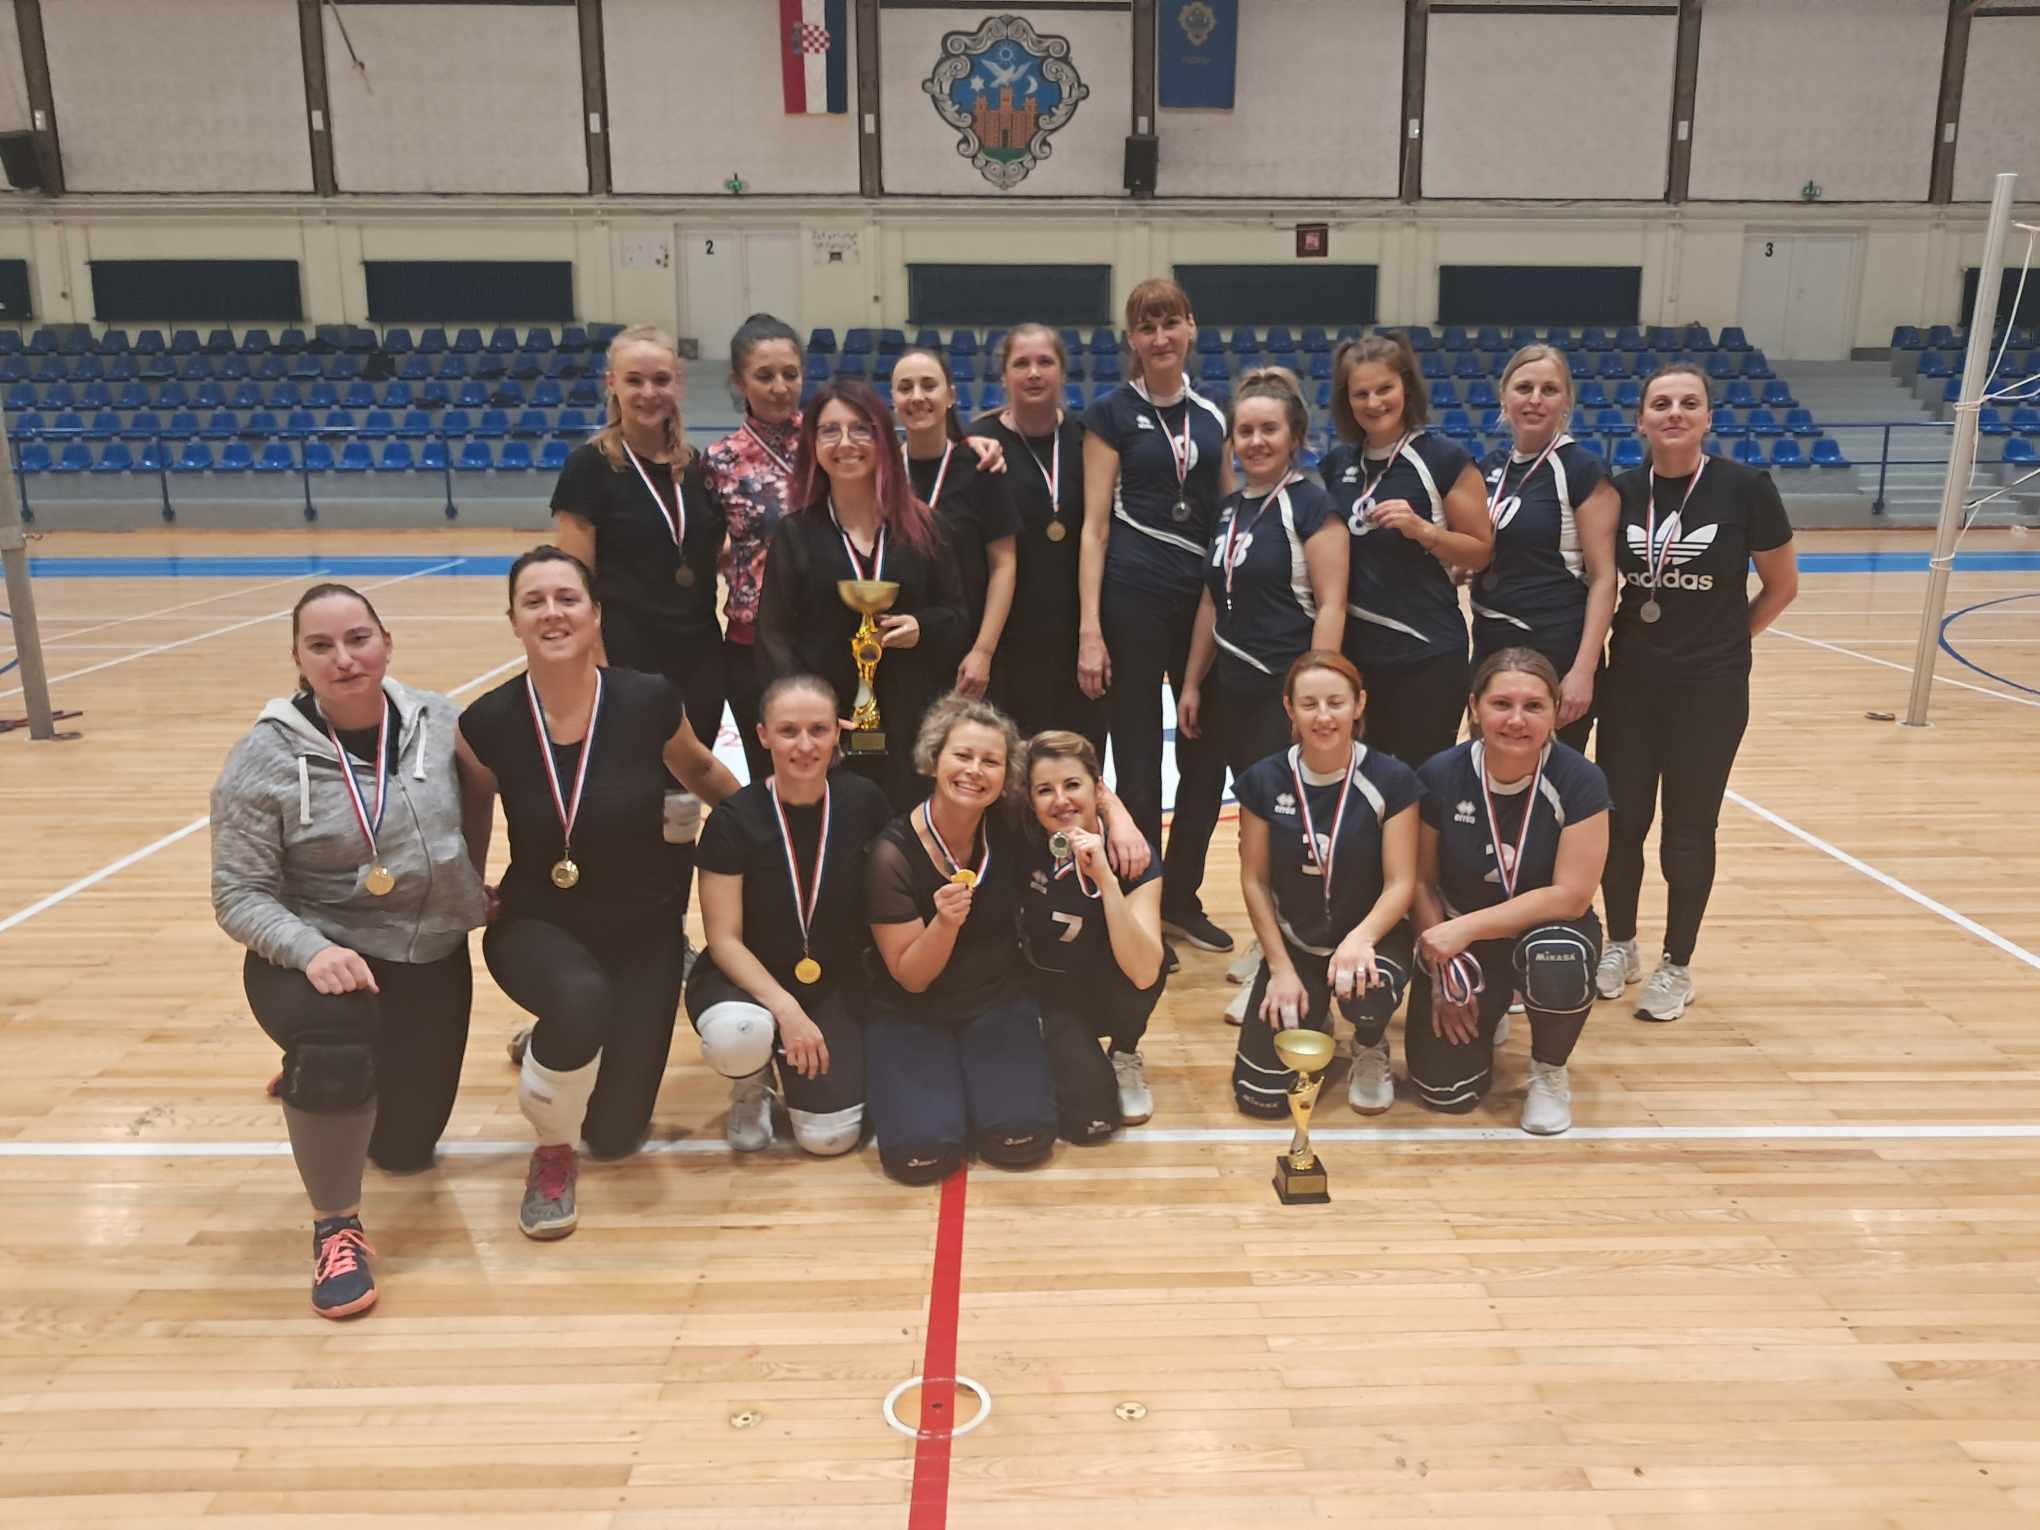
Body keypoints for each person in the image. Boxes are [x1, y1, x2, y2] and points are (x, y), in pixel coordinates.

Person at [211, 583, 488, 1318]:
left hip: (426, 953)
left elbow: (481, 794)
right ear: (298, 660)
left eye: (358, 639)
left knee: (405, 1151)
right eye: (321, 645)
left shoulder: (438, 720)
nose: (344, 658)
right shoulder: (264, 758)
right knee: (335, 1043)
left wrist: (468, 883)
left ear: (386, 643)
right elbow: (237, 894)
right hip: (323, 957)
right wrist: (308, 951)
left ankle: (323, 1071)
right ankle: (335, 1227)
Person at [458, 547, 739, 1240]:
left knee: (616, 1134)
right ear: (513, 620)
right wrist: (464, 888)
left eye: (567, 598)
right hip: (538, 925)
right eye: (534, 601)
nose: (552, 613)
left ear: (595, 614)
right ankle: (551, 1152)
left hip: (644, 933)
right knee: (580, 999)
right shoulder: (486, 723)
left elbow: (702, 771)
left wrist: (775, 834)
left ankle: (559, 1036)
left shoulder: (647, 700)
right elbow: (470, 821)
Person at [1594, 365, 1798, 1019]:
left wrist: (1727, 641)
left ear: (1709, 417)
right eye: (1661, 403)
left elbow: (1782, 586)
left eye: (1689, 402)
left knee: (1687, 831)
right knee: (1621, 824)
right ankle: (1620, 944)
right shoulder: (1621, 491)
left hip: (1710, 692)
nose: (1674, 412)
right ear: (1641, 420)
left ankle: (1675, 965)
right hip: (1629, 685)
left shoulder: (1745, 488)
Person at [1079, 278, 1235, 956]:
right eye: (1147, 326)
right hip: (1131, 596)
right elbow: (1093, 527)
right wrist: (1090, 628)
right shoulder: (1109, 413)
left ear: (1191, 327)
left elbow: (1228, 518)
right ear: (1133, 340)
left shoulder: (1213, 416)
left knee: (1205, 758)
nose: (1161, 337)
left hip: (1198, 603)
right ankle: (1142, 900)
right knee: (1139, 762)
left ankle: (1182, 900)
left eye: (1171, 323)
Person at [547, 324, 726, 906]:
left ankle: (671, 927)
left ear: (679, 383)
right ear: (612, 385)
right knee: (628, 799)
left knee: (681, 804)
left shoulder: (697, 468)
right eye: (635, 380)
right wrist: (598, 673)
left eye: (661, 379)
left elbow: (704, 552)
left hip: (699, 658)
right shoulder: (588, 468)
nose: (649, 392)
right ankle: (625, 923)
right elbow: (573, 585)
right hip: (626, 659)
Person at [687, 673, 892, 1155]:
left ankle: (804, 1064)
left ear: (838, 732)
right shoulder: (733, 820)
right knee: (739, 1035)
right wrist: (786, 1010)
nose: (804, 745)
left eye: (818, 730)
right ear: (762, 735)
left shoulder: (864, 802)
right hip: (744, 979)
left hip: (832, 979)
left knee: (829, 1138)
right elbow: (724, 939)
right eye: (788, 731)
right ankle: (751, 1080)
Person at [1408, 648, 1610, 1134]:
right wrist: (1445, 969)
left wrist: (1463, 929)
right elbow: (1420, 880)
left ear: (1555, 711)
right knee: (1445, 1093)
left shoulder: (1579, 779)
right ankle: (1491, 1002)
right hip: (1463, 945)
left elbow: (1571, 896)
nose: (1516, 720)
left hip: (1540, 931)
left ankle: (1548, 1070)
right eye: (1501, 704)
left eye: (1533, 706)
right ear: (1475, 708)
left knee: (1557, 958)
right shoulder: (1440, 774)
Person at [864, 696, 1056, 1183]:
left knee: (1021, 1142)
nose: (974, 771)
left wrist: (1117, 818)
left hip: (996, 1000)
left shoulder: (1008, 821)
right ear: (934, 759)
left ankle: (976, 1080)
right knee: (921, 1156)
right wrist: (944, 924)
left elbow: (1075, 783)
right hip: (912, 1009)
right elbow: (911, 978)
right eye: (962, 755)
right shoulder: (892, 854)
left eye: (990, 761)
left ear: (1006, 775)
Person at [757, 380, 968, 809]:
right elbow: (774, 636)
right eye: (829, 431)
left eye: (860, 429)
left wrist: (922, 627)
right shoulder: (795, 533)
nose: (845, 443)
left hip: (914, 723)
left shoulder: (926, 527)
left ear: (884, 439)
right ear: (813, 445)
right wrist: (810, 721)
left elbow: (958, 616)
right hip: (828, 733)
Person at [1230, 652, 1419, 1120]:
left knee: (1368, 990)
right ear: (1289, 708)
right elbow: (1254, 880)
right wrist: (1279, 967)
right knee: (1260, 1098)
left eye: (1336, 702)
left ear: (1359, 704)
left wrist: (1361, 938)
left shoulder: (1392, 779)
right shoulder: (1263, 780)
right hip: (1297, 942)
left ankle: (1369, 1043)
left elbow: (1402, 882)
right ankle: (1316, 1010)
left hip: (1370, 939)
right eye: (1309, 704)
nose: (1323, 716)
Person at [1320, 333, 1494, 768]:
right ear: (1346, 400)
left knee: (1423, 785)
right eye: (1361, 393)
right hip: (1357, 657)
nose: (1374, 402)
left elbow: (1481, 551)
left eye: (1385, 389)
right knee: (1362, 784)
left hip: (1427, 656)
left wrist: (1424, 531)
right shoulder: (1336, 465)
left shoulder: (1443, 459)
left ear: (1407, 388)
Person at [1180, 366, 1348, 789]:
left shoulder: (1313, 506)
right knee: (1252, 805)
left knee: (1290, 809)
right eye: (1245, 431)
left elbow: (1332, 605)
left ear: (1294, 437)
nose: (1256, 441)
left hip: (1284, 687)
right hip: (1231, 686)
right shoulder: (1228, 509)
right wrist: (1192, 684)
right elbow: (1211, 600)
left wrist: (1313, 698)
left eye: (1269, 429)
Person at [1020, 730, 1167, 1137]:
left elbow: (1144, 972)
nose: (1060, 800)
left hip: (1109, 985)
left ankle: (1124, 1052)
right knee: (1090, 1119)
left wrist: (1105, 878)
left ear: (1098, 789)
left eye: (1073, 785)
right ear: (1030, 799)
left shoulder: (1130, 854)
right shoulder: (1022, 837)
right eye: (1044, 790)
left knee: (1152, 956)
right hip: (1050, 992)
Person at [1473, 345, 1619, 751]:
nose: (1535, 399)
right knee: (1490, 771)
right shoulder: (1490, 467)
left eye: (1549, 390)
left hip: (1554, 647)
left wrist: (1583, 670)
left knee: (1551, 775)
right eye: (1524, 388)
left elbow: (1604, 579)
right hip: (1489, 644)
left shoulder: (1582, 469)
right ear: (1504, 396)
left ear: (1566, 401)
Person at [970, 324, 1105, 754]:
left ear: (1062, 372)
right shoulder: (980, 443)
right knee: (1008, 767)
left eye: (1045, 362)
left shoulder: (1088, 439)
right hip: (1005, 638)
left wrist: (1092, 633)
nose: (1033, 373)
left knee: (1075, 765)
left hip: (1076, 636)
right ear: (1003, 375)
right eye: (1021, 363)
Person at [701, 313, 806, 784]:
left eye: (790, 374)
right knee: (768, 775)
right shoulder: (718, 460)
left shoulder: (831, 442)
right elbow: (705, 548)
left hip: (829, 635)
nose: (780, 387)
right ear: (739, 381)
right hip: (752, 644)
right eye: (764, 376)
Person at [893, 347, 1017, 700]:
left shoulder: (982, 468)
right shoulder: (882, 472)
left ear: (950, 395)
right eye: (905, 387)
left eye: (929, 385)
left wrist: (983, 651)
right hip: (897, 652)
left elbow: (1004, 566)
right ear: (893, 399)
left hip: (968, 654)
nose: (917, 396)